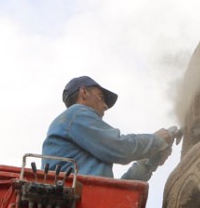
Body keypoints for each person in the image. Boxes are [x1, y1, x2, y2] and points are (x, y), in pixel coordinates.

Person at [42, 76, 175, 181]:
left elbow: (119, 191)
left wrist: (149, 162)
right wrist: (156, 140)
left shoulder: (83, 142)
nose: (105, 106)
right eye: (101, 96)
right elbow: (120, 148)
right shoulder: (76, 114)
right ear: (83, 92)